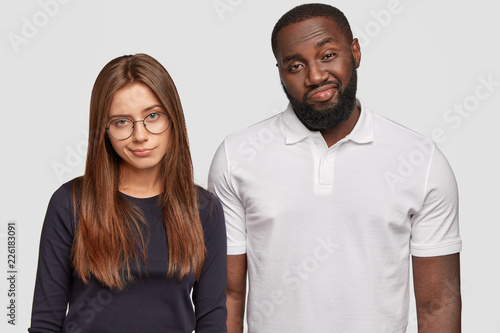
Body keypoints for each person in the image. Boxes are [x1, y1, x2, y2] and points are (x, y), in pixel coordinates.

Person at [208, 3, 461, 332]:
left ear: (355, 52)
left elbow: (438, 301)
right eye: (295, 65)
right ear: (280, 72)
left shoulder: (421, 161)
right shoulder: (236, 156)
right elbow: (228, 294)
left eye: (327, 55)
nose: (314, 76)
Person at [29, 54, 227, 332]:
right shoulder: (70, 202)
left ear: (174, 118)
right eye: (122, 121)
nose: (140, 135)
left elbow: (212, 322)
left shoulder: (203, 209)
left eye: (153, 116)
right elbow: (45, 322)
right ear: (105, 130)